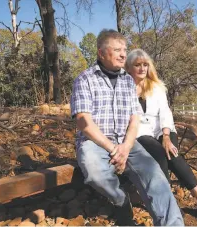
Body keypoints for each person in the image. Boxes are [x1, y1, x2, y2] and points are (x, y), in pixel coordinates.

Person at [70, 30, 184, 226]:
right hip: (95, 142)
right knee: (95, 171)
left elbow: (134, 119)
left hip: (127, 143)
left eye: (124, 49)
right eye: (117, 50)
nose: (124, 54)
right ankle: (121, 201)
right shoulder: (85, 79)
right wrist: (113, 149)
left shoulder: (127, 81)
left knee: (154, 175)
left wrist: (125, 147)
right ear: (101, 53)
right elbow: (83, 122)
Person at [125, 49, 197, 221]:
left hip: (163, 129)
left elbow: (165, 113)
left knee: (172, 154)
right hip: (141, 132)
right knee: (160, 155)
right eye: (137, 65)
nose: (142, 68)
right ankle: (168, 203)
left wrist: (166, 136)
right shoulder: (124, 89)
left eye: (145, 64)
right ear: (129, 67)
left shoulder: (156, 86)